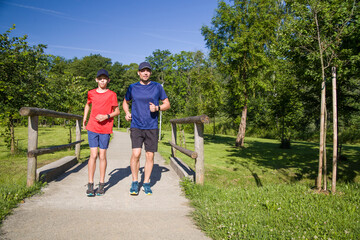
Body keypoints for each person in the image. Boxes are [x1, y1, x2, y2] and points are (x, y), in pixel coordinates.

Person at [123, 62, 170, 195]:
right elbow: (125, 102)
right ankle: (134, 182)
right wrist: (127, 113)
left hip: (152, 126)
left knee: (150, 155)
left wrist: (157, 108)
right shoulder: (132, 87)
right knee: (136, 154)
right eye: (142, 71)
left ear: (150, 73)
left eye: (147, 71)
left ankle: (146, 183)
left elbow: (167, 104)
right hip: (136, 125)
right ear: (138, 72)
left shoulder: (157, 87)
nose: (145, 73)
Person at [83, 69, 120, 197]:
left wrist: (106, 116)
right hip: (92, 127)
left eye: (105, 78)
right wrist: (84, 118)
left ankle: (102, 184)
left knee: (102, 155)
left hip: (105, 128)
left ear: (108, 80)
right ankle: (90, 185)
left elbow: (117, 111)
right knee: (93, 155)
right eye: (100, 78)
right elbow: (88, 105)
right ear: (96, 80)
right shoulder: (91, 93)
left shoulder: (112, 94)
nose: (102, 80)